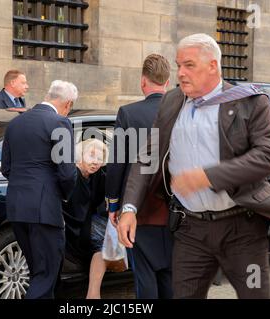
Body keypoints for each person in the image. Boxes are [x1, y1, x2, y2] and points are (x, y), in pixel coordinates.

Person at [117, 33, 270, 299]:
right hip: (191, 229)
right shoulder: (171, 102)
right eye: (178, 64)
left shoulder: (249, 101)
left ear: (213, 65)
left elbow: (268, 155)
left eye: (188, 65)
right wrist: (130, 207)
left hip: (243, 229)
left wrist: (208, 176)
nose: (180, 73)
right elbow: (148, 156)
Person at [0, 80, 78, 299]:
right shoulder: (60, 122)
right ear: (68, 103)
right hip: (44, 210)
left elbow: (7, 167)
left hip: (16, 207)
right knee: (45, 275)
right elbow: (66, 173)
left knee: (39, 274)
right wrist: (63, 197)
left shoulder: (16, 123)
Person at [105, 54, 173, 299]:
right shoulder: (182, 112)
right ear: (167, 82)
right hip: (175, 210)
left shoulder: (128, 113)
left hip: (138, 210)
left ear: (143, 81)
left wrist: (114, 203)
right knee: (170, 276)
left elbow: (116, 163)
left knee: (145, 278)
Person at [63, 138, 109, 299]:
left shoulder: (97, 176)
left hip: (85, 221)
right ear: (80, 155)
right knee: (105, 239)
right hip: (70, 224)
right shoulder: (71, 175)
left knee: (107, 236)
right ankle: (93, 294)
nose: (95, 162)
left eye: (99, 158)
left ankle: (93, 293)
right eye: (91, 156)